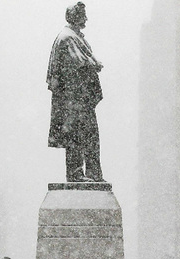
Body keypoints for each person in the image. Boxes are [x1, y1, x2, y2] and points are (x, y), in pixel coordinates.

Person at [47, 2, 104, 182]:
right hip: (74, 100)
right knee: (77, 136)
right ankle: (76, 174)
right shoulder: (67, 37)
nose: (86, 19)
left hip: (80, 100)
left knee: (89, 136)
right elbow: (79, 63)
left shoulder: (74, 36)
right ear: (75, 16)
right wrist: (94, 64)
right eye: (83, 15)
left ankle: (93, 173)